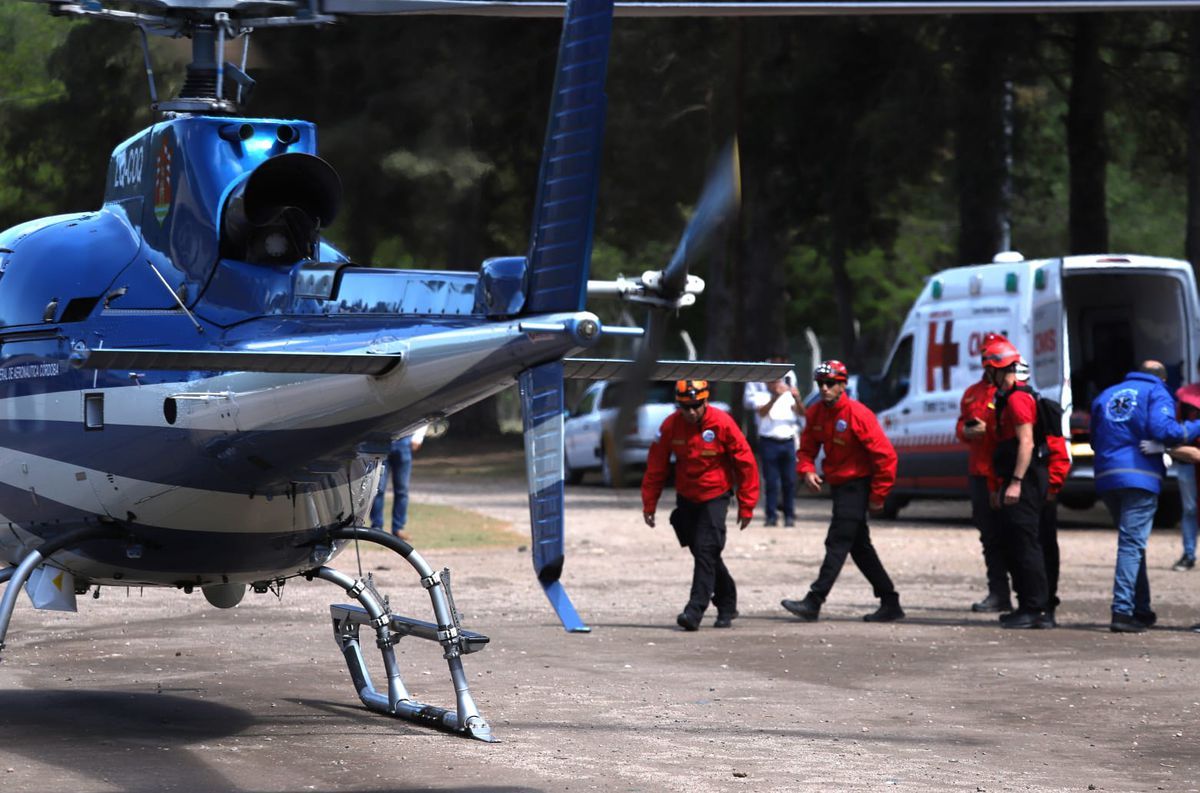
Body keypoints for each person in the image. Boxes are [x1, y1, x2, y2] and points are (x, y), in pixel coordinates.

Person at [781, 360, 904, 623]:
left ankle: (814, 601)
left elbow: (886, 457)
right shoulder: (815, 413)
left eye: (830, 384)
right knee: (859, 547)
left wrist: (878, 496)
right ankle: (890, 601)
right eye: (820, 384)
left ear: (842, 385)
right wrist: (807, 470)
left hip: (856, 486)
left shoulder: (858, 415)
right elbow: (806, 450)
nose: (824, 388)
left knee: (837, 542)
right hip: (838, 487)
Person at [1091, 361, 1200, 633]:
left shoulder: (1106, 394)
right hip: (1139, 476)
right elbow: (1167, 431)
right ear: (1162, 378)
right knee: (1131, 544)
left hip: (1107, 476)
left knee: (1132, 543)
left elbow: (1094, 439)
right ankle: (1122, 611)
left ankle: (1141, 609)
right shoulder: (1157, 392)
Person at [642, 379, 759, 631]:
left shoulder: (722, 423)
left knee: (707, 550)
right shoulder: (670, 426)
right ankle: (727, 601)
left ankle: (694, 610)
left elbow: (745, 463)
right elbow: (656, 465)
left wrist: (746, 504)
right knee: (705, 552)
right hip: (687, 497)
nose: (691, 411)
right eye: (686, 406)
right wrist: (649, 503)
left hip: (715, 496)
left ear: (705, 401)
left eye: (696, 405)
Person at [986, 340, 1053, 629]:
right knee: (1017, 543)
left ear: (999, 370)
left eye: (989, 369)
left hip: (1024, 481)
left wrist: (1015, 482)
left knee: (1025, 544)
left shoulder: (1017, 399)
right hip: (1022, 479)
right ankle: (1031, 605)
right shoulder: (1011, 396)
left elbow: (1025, 443)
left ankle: (1034, 608)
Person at [956, 333, 1010, 613]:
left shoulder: (1012, 392)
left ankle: (1028, 594)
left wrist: (988, 430)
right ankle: (998, 592)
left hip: (1003, 472)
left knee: (1012, 535)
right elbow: (961, 425)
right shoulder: (972, 393)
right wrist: (966, 431)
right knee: (988, 536)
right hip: (979, 472)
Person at [743, 361, 802, 527]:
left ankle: (789, 515)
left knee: (789, 480)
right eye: (772, 382)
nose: (775, 385)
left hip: (788, 440)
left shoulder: (789, 395)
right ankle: (771, 515)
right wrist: (774, 398)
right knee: (771, 481)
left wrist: (797, 399)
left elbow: (802, 413)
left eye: (777, 381)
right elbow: (762, 413)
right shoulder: (761, 396)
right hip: (769, 440)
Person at [370, 426, 427, 540]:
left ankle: (398, 528)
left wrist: (418, 437)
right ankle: (376, 527)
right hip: (382, 440)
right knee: (378, 488)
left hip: (404, 441)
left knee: (402, 489)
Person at [1172, 382, 1200, 572]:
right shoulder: (1184, 395)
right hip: (1189, 458)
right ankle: (1189, 554)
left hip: (1189, 457)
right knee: (1190, 508)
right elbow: (1175, 425)